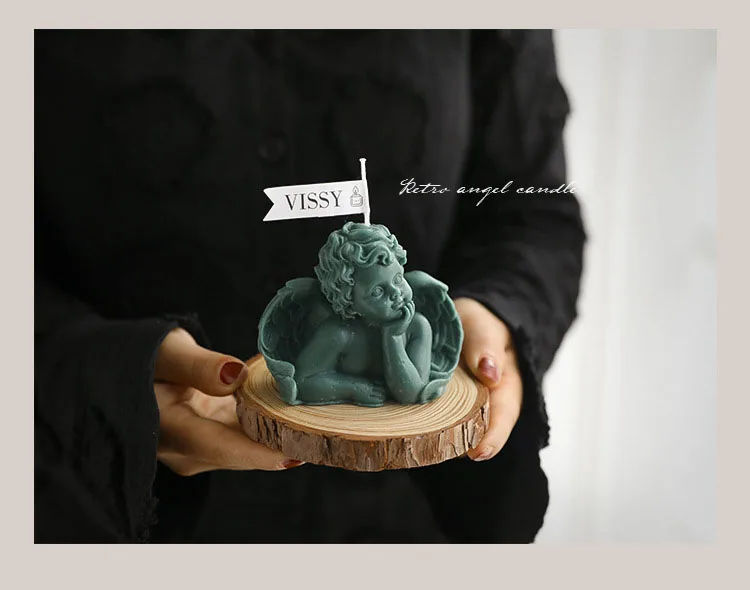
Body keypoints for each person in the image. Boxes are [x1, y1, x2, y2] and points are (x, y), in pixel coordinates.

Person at [34, 29, 586, 543]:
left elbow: (530, 213)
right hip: (110, 506)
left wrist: (490, 311)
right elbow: (300, 385)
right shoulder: (337, 333)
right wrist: (104, 372)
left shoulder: (414, 322)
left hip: (403, 516)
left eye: (396, 282)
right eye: (379, 291)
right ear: (347, 299)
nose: (397, 296)